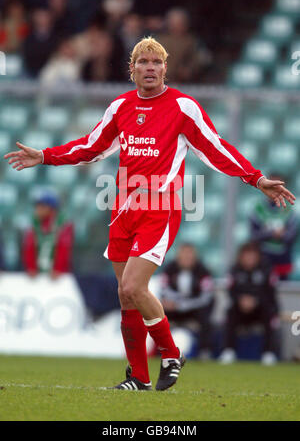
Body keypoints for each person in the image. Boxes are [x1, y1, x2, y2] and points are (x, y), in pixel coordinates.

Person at [4, 37, 295, 391]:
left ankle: (171, 353)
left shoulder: (183, 108)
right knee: (124, 295)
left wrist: (257, 178)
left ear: (165, 68)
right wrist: (46, 155)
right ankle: (139, 378)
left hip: (160, 207)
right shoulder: (120, 107)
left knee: (133, 285)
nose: (151, 68)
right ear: (132, 69)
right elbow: (90, 147)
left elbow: (216, 148)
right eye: (143, 62)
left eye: (157, 62)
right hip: (123, 208)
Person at [219, 242, 280, 366]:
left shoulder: (267, 270)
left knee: (270, 313)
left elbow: (271, 294)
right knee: (230, 312)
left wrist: (255, 301)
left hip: (261, 309)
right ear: (241, 256)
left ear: (257, 257)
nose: (249, 259)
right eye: (247, 256)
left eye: (252, 256)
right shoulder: (234, 270)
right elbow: (231, 292)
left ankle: (268, 352)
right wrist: (241, 300)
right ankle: (228, 350)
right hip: (240, 309)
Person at [160, 243, 214, 359]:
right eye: (184, 255)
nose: (187, 258)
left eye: (190, 255)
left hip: (194, 308)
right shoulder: (169, 269)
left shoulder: (203, 271)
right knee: (157, 314)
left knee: (206, 317)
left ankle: (204, 351)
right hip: (173, 307)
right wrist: (172, 302)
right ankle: (160, 350)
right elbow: (165, 289)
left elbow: (206, 297)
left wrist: (182, 305)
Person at [250, 173, 299, 280]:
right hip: (263, 259)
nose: (274, 189)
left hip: (283, 259)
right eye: (271, 185)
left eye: (278, 186)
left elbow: (292, 236)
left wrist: (282, 235)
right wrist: (272, 233)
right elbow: (253, 236)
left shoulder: (289, 210)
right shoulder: (258, 209)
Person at [22, 192, 74, 280]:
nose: (38, 209)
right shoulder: (33, 224)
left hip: (59, 277)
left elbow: (64, 248)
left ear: (52, 209)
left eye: (42, 206)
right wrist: (31, 268)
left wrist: (58, 269)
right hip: (36, 276)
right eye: (37, 206)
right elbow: (28, 248)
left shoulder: (64, 224)